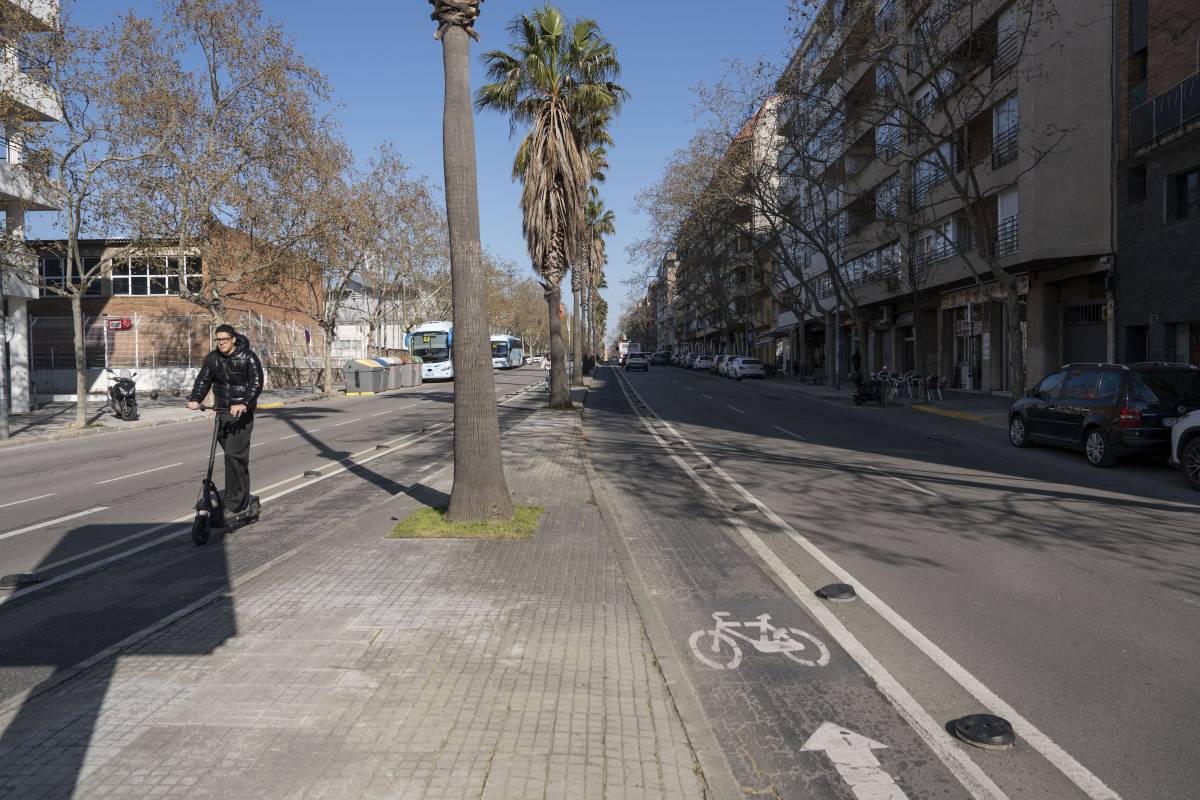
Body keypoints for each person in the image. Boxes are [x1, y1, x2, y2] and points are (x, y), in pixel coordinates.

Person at [187, 324, 264, 514]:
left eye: (225, 339)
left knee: (233, 455)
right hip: (221, 413)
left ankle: (234, 501)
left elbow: (256, 383)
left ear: (233, 339)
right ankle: (241, 495)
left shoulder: (248, 357)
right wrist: (195, 399)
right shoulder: (213, 359)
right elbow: (203, 380)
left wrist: (244, 403)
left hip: (241, 414)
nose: (221, 343)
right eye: (218, 339)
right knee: (234, 458)